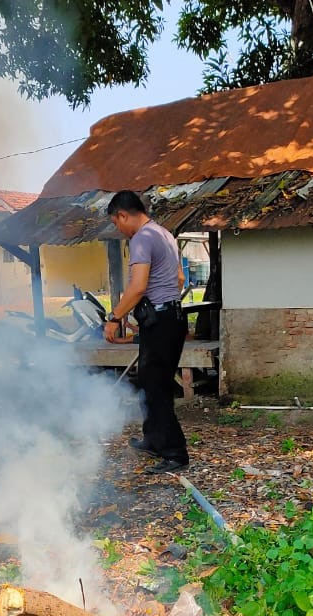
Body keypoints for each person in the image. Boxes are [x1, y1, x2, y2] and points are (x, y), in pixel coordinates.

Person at [104, 190, 189, 475]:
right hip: (169, 318)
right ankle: (154, 439)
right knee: (150, 381)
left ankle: (175, 453)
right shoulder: (164, 234)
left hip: (162, 321)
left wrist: (114, 317)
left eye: (116, 223)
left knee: (156, 387)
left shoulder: (141, 238)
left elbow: (138, 285)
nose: (119, 229)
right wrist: (151, 313)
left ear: (123, 215)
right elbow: (178, 278)